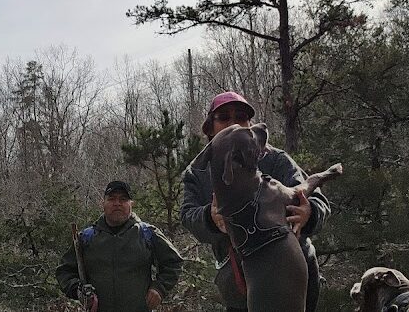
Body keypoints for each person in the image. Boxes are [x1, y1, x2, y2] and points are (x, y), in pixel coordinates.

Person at [181, 92, 332, 312]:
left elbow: (316, 198)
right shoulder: (198, 171)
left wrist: (309, 213)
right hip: (237, 277)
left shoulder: (275, 159)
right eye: (223, 117)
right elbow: (187, 215)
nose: (233, 122)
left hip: (293, 268)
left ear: (250, 123)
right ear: (209, 128)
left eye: (241, 116)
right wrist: (210, 218)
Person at [56, 181, 184, 312]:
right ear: (103, 203)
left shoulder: (147, 234)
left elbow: (173, 262)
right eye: (111, 199)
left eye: (123, 199)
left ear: (131, 204)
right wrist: (77, 290)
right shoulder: (86, 238)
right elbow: (64, 271)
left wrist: (159, 288)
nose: (117, 203)